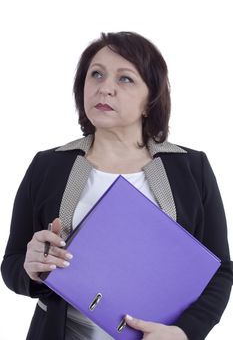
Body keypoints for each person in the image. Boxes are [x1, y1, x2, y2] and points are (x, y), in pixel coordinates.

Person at [1, 31, 232, 340]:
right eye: (96, 74)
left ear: (151, 99)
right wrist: (32, 269)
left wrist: (184, 333)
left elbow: (219, 271)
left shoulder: (191, 167)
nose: (104, 88)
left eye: (125, 79)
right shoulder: (48, 165)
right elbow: (13, 265)